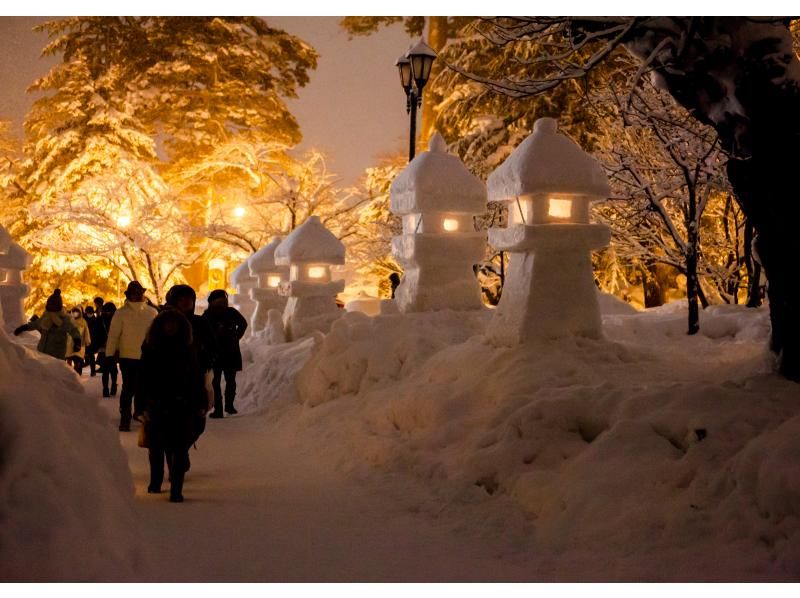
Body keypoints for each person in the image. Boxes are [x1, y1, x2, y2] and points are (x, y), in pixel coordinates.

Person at [138, 309, 207, 503]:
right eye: (167, 324)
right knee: (156, 446)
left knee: (179, 447)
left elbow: (196, 376)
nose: (170, 327)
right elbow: (143, 376)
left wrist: (200, 402)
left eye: (174, 324)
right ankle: (156, 481)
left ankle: (176, 489)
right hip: (158, 402)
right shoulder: (151, 347)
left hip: (182, 403)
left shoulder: (187, 347)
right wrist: (141, 403)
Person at [106, 281, 158, 431]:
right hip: (130, 356)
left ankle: (135, 414)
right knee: (132, 387)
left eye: (138, 292)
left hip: (144, 356)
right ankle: (129, 416)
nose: (137, 295)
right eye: (134, 293)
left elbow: (155, 336)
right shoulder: (125, 313)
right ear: (129, 295)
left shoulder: (151, 312)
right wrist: (109, 354)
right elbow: (114, 336)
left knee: (138, 388)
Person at [202, 289, 248, 418]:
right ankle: (229, 405)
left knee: (216, 382)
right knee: (230, 380)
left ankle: (219, 409)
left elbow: (203, 333)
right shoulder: (230, 312)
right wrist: (236, 337)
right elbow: (243, 324)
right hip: (230, 351)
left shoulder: (208, 314)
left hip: (215, 353)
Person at [14, 289, 82, 360]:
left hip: (57, 355)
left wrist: (77, 341)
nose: (50, 309)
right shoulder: (46, 316)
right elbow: (36, 324)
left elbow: (73, 330)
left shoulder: (64, 319)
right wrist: (23, 327)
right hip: (42, 351)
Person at [95, 302, 119, 398]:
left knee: (109, 369)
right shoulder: (115, 319)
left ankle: (109, 387)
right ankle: (109, 387)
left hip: (108, 347)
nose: (108, 313)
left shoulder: (101, 319)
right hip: (108, 347)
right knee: (110, 369)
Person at [65, 306, 92, 375]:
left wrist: (87, 341)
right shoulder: (69, 321)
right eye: (73, 312)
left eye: (76, 312)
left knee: (78, 362)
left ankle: (76, 376)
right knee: (69, 362)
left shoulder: (83, 322)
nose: (75, 313)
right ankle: (69, 376)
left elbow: (86, 332)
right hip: (69, 345)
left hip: (79, 345)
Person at [84, 305, 99, 376]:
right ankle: (79, 370)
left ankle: (93, 371)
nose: (89, 314)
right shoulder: (84, 320)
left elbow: (97, 332)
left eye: (90, 312)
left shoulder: (95, 320)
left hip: (92, 341)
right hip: (85, 340)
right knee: (87, 355)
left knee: (91, 356)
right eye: (88, 312)